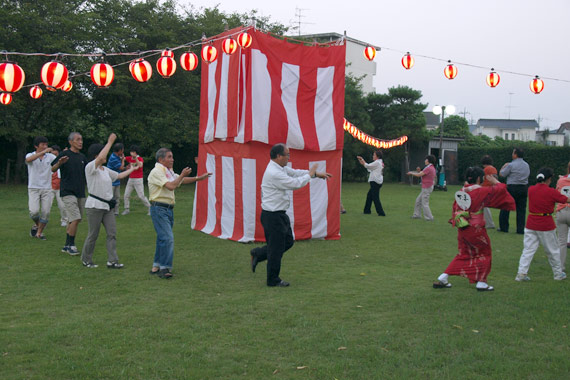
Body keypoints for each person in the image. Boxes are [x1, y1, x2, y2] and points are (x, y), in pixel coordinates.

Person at [250, 144, 332, 287]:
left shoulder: (279, 168)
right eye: (287, 155)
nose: (289, 157)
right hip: (272, 215)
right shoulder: (274, 173)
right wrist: (310, 173)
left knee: (288, 241)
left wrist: (315, 174)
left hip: (279, 214)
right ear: (278, 156)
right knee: (276, 249)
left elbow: (295, 172)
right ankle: (272, 280)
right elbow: (294, 183)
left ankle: (259, 253)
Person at [433, 167, 515, 291]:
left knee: (464, 254)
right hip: (476, 229)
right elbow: (501, 189)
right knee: (485, 253)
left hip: (463, 228)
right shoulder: (481, 191)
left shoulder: (462, 191)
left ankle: (443, 277)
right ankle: (481, 282)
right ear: (479, 178)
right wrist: (494, 181)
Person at [148, 148, 211, 279]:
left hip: (167, 209)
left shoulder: (167, 171)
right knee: (168, 238)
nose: (172, 159)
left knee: (162, 238)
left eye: (172, 156)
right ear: (161, 159)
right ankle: (165, 268)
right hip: (159, 208)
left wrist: (199, 178)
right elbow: (171, 186)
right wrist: (182, 175)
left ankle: (156, 265)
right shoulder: (156, 172)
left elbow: (180, 180)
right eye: (169, 157)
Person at [81, 134, 139, 268]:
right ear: (96, 155)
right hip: (94, 207)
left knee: (112, 234)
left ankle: (112, 261)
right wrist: (110, 142)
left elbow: (118, 175)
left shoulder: (105, 170)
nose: (105, 156)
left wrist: (133, 169)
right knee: (93, 235)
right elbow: (101, 157)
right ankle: (86, 259)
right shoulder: (90, 167)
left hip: (108, 207)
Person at [515, 168, 570, 282]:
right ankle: (558, 274)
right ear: (549, 179)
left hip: (531, 223)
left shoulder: (531, 189)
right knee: (553, 251)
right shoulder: (551, 192)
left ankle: (521, 273)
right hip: (546, 224)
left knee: (528, 250)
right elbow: (565, 199)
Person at [51, 132, 88, 256]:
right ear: (71, 142)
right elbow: (53, 168)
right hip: (67, 192)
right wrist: (60, 163)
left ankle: (66, 245)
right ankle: (71, 245)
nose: (80, 142)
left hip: (80, 192)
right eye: (78, 140)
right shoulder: (64, 154)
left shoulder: (83, 157)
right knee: (75, 218)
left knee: (74, 220)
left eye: (81, 139)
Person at [25, 136, 57, 240]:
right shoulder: (30, 155)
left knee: (46, 212)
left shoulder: (50, 157)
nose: (45, 147)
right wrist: (43, 152)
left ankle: (39, 232)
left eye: (46, 145)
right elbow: (29, 160)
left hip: (47, 188)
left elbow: (56, 165)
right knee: (34, 212)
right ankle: (38, 226)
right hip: (33, 187)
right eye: (42, 145)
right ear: (36, 146)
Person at [499, 147, 530, 234]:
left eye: (513, 153)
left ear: (515, 155)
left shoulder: (511, 165)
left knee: (505, 207)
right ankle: (520, 229)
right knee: (521, 209)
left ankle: (504, 227)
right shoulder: (526, 165)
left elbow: (502, 174)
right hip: (523, 188)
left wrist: (503, 166)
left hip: (512, 187)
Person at [122, 145, 151, 215]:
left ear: (136, 152)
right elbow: (124, 158)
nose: (132, 153)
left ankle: (150, 207)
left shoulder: (140, 159)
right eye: (131, 151)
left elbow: (140, 165)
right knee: (126, 195)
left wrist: (135, 158)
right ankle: (126, 209)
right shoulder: (129, 158)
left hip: (138, 179)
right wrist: (123, 162)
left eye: (133, 152)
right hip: (131, 179)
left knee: (141, 196)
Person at [407, 155, 436, 221]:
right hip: (427, 187)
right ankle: (417, 215)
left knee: (424, 203)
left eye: (426, 159)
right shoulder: (430, 167)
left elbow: (419, 175)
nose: (425, 161)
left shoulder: (428, 168)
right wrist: (414, 172)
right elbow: (421, 173)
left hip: (427, 187)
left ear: (428, 160)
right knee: (418, 201)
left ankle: (429, 217)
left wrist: (411, 173)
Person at [357, 150, 385, 216]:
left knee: (375, 198)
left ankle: (381, 213)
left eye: (374, 155)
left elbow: (368, 166)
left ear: (377, 156)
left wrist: (362, 160)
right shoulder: (379, 162)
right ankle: (367, 211)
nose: (373, 156)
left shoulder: (377, 162)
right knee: (369, 196)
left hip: (375, 182)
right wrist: (363, 163)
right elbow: (369, 167)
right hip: (377, 181)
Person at [555, 162, 570, 273]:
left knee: (561, 241)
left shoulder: (561, 181)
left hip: (561, 211)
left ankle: (560, 267)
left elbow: (556, 194)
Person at [50, 145, 68, 227]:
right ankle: (43, 221)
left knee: (62, 205)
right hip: (49, 186)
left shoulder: (62, 160)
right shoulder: (49, 160)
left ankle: (64, 220)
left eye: (55, 151)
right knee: (46, 206)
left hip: (60, 186)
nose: (53, 153)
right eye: (51, 151)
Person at [106, 143, 125, 216]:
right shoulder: (113, 157)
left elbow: (121, 168)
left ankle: (116, 212)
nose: (123, 151)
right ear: (119, 150)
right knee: (110, 197)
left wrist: (126, 168)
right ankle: (109, 211)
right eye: (122, 150)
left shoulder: (117, 157)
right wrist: (123, 160)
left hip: (117, 181)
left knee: (117, 197)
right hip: (111, 181)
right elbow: (120, 167)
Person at [481, 155, 498, 229]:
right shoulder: (494, 169)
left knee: (484, 206)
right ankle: (484, 222)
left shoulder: (485, 169)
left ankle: (489, 223)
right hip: (492, 188)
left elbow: (482, 179)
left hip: (485, 189)